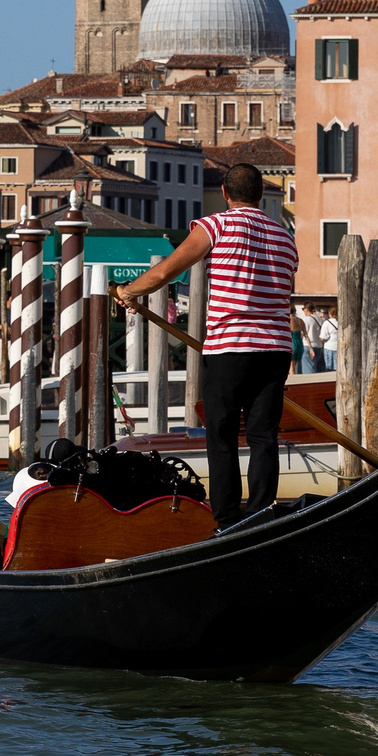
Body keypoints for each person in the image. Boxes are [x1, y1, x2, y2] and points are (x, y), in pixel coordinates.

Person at [114, 163, 298, 525]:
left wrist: (127, 291)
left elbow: (166, 271)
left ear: (226, 194)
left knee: (222, 435)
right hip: (276, 347)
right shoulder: (284, 235)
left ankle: (228, 519)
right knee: (263, 437)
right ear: (261, 195)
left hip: (231, 346)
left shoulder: (216, 224)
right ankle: (261, 515)